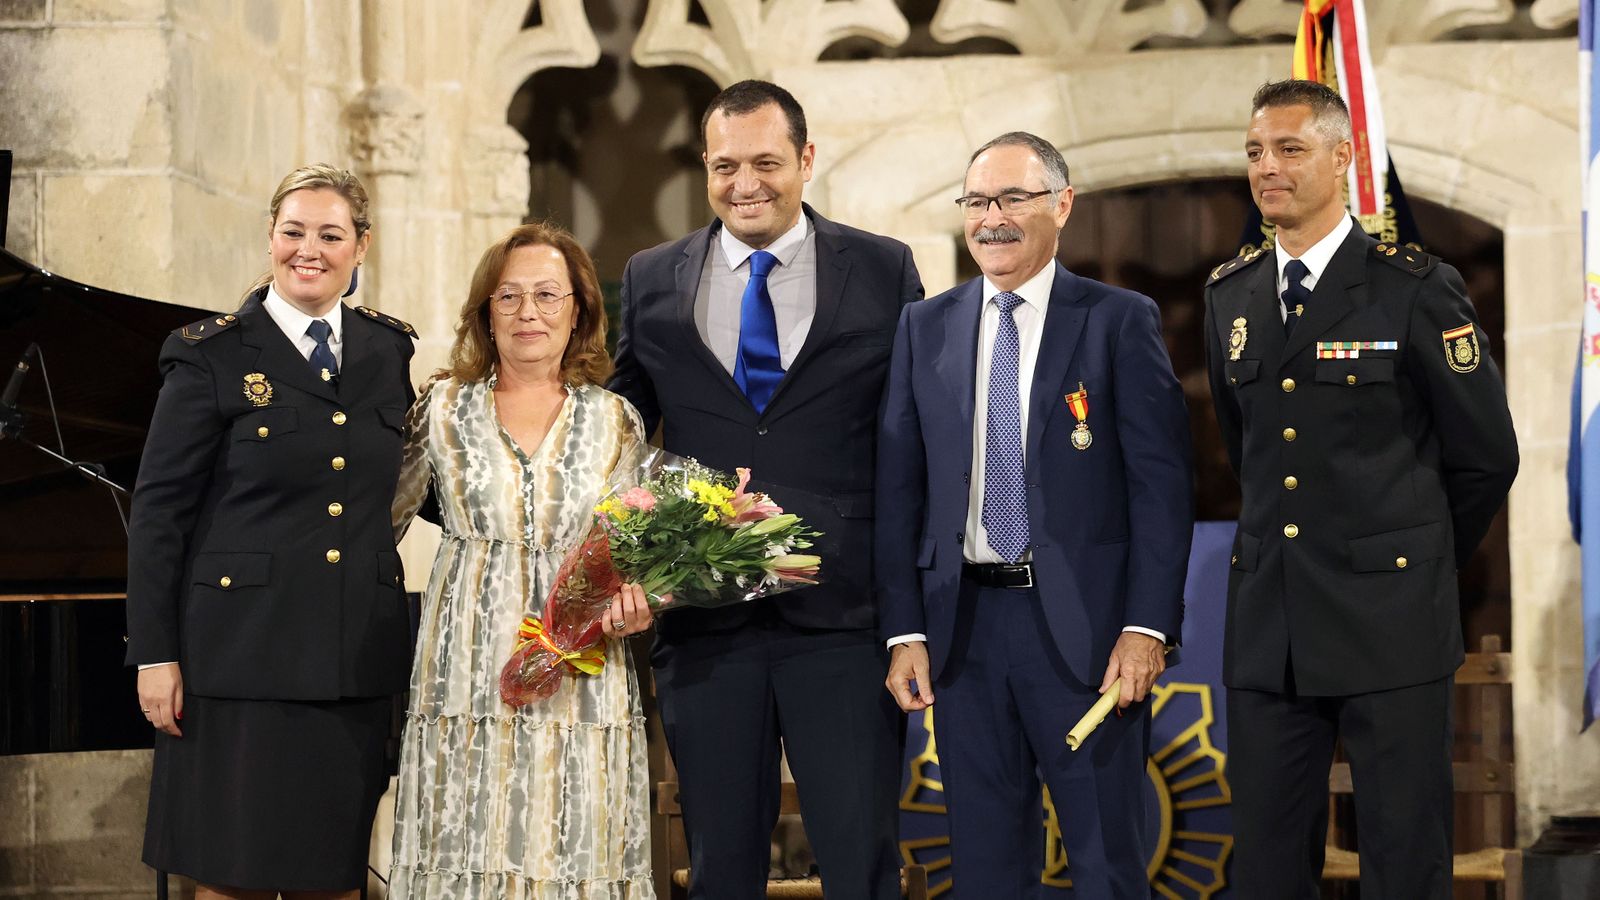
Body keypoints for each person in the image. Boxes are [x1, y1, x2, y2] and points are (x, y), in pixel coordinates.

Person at [1203, 79, 1519, 899]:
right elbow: (1251, 455)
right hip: (1272, 628)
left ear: (1343, 159)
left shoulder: (1411, 285)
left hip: (1392, 625)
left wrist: (1406, 552)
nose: (1267, 167)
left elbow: (1486, 454)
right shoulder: (1230, 295)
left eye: (1289, 149)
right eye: (1255, 152)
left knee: (1403, 862)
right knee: (1268, 869)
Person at [608, 79, 922, 899]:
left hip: (846, 623)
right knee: (719, 871)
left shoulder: (884, 269)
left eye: (766, 162)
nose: (745, 184)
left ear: (807, 160)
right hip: (705, 626)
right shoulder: (649, 277)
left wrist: (909, 621)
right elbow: (616, 431)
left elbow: (916, 440)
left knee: (862, 867)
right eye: (724, 166)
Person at [876, 132, 1193, 898]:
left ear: (1062, 203)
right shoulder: (925, 327)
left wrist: (1147, 627)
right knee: (985, 872)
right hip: (963, 636)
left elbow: (1163, 486)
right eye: (978, 201)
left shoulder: (1119, 320)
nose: (993, 218)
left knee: (1109, 864)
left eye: (1013, 197)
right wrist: (905, 630)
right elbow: (900, 487)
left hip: (1087, 640)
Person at [125, 164, 418, 897]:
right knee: (234, 875)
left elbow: (415, 478)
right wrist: (154, 653)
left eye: (330, 234)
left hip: (349, 660)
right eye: (293, 231)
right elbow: (159, 510)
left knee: (335, 874)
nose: (308, 249)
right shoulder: (212, 354)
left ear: (361, 245)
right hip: (238, 658)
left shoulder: (388, 351)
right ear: (271, 237)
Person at [387, 222, 655, 898]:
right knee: (465, 840)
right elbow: (378, 525)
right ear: (486, 313)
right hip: (465, 670)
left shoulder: (617, 419)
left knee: (573, 842)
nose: (528, 312)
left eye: (546, 295)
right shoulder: (441, 408)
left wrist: (637, 600)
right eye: (508, 297)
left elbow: (630, 554)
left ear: (580, 312)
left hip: (581, 671)